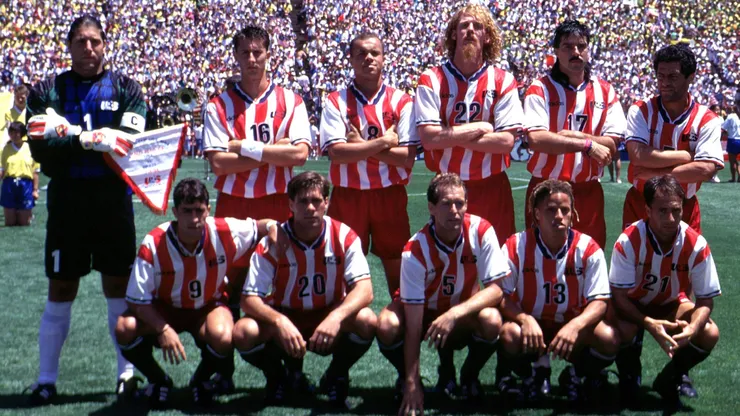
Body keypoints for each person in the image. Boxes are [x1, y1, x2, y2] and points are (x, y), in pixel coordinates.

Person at [24, 15, 147, 405]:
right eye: (81, 41)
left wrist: (73, 135)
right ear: (69, 46)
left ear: (105, 44)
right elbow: (40, 145)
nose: (89, 48)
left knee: (118, 286)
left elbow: (129, 143)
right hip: (68, 201)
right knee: (61, 287)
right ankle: (46, 380)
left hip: (113, 201)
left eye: (95, 41)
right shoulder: (47, 90)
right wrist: (90, 139)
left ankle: (126, 376)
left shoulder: (127, 88)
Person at [115, 178, 282, 408]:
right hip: (165, 307)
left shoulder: (223, 231)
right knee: (125, 328)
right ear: (175, 212)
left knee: (223, 335)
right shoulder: (154, 242)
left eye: (199, 210)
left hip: (207, 306)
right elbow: (137, 300)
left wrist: (273, 228)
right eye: (187, 211)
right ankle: (158, 379)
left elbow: (261, 226)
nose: (194, 218)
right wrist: (163, 328)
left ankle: (201, 379)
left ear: (208, 210)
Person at [234, 171, 377, 407]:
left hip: (328, 312)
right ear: (291, 204)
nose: (310, 208)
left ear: (326, 203)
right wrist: (280, 322)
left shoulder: (344, 236)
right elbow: (249, 298)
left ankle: (337, 373)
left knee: (367, 320)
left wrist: (336, 317)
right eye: (303, 201)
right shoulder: (274, 241)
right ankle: (278, 377)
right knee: (244, 332)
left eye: (316, 201)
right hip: (287, 314)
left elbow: (365, 290)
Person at [376, 173, 509, 415]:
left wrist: (454, 314)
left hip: (461, 309)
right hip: (423, 312)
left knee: (491, 320)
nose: (454, 211)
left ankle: (469, 375)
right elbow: (414, 325)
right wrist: (412, 383)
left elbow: (497, 289)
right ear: (432, 208)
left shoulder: (481, 230)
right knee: (387, 325)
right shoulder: (415, 250)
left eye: (459, 203)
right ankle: (405, 377)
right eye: (446, 204)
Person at [203, 25, 311, 320]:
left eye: (257, 52)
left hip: (278, 201)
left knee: (282, 279)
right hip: (234, 202)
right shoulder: (218, 106)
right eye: (245, 53)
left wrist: (243, 148)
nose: (252, 59)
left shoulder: (291, 101)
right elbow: (219, 164)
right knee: (229, 283)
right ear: (236, 57)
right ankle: (226, 345)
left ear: (268, 55)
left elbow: (300, 155)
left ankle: (280, 347)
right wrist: (274, 152)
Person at [497, 179, 618, 403]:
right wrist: (524, 319)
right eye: (551, 210)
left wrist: (575, 325)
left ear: (573, 213)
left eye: (565, 210)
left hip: (571, 324)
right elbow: (500, 295)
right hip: (531, 324)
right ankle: (532, 373)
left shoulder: (588, 248)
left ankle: (574, 375)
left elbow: (600, 301)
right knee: (508, 334)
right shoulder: (516, 246)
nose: (559, 216)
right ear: (536, 214)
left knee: (608, 338)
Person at [414, 3, 524, 247]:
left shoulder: (503, 80)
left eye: (478, 26)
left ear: (487, 36)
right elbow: (429, 139)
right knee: (449, 258)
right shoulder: (431, 79)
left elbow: (506, 142)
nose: (471, 30)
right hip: (448, 187)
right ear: (454, 34)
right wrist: (481, 128)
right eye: (464, 25)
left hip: (492, 186)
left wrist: (448, 136)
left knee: (499, 258)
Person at [609, 174, 720, 409]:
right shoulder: (629, 240)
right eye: (662, 211)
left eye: (676, 211)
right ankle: (629, 376)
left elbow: (705, 299)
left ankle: (671, 378)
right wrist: (648, 323)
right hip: (633, 303)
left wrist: (692, 329)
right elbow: (619, 297)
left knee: (708, 332)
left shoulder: (696, 244)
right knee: (622, 328)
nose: (671, 218)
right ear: (648, 210)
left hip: (671, 303)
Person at [320, 32, 418, 296]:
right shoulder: (335, 101)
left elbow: (406, 158)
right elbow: (337, 153)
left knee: (397, 267)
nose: (368, 58)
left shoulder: (401, 101)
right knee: (341, 269)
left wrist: (359, 145)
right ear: (351, 59)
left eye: (375, 53)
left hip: (389, 195)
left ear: (384, 58)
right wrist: (384, 142)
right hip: (348, 194)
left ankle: (399, 317)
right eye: (361, 53)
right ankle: (346, 318)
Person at [523, 20, 626, 249]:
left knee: (588, 258)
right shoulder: (540, 88)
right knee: (541, 258)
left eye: (581, 46)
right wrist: (587, 146)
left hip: (588, 191)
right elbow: (536, 139)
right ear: (556, 51)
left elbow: (612, 143)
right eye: (568, 47)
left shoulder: (605, 91)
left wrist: (577, 137)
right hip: (546, 189)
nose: (576, 52)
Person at [622, 45, 724, 232]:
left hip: (684, 206)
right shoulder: (641, 110)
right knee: (636, 252)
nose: (665, 82)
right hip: (641, 203)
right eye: (660, 76)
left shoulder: (707, 119)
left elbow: (705, 169)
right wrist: (687, 156)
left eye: (673, 77)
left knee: (686, 253)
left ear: (690, 77)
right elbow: (638, 156)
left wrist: (653, 174)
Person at [1, 121, 38, 226]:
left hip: (25, 184)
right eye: (12, 133)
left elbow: (35, 171)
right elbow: (2, 170)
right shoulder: (6, 149)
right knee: (10, 223)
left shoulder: (29, 148)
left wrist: (35, 190)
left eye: (17, 132)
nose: (14, 135)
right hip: (9, 184)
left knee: (23, 223)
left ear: (22, 133)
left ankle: (27, 214)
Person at [0, 83, 28, 148]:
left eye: (22, 97)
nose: (20, 99)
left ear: (27, 97)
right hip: (17, 144)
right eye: (17, 97)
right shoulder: (8, 114)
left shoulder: (31, 111)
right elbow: (10, 132)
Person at [721, 100, 740, 182]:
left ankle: (733, 178)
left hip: (733, 140)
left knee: (732, 161)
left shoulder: (731, 116)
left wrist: (725, 133)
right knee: (735, 160)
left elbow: (723, 128)